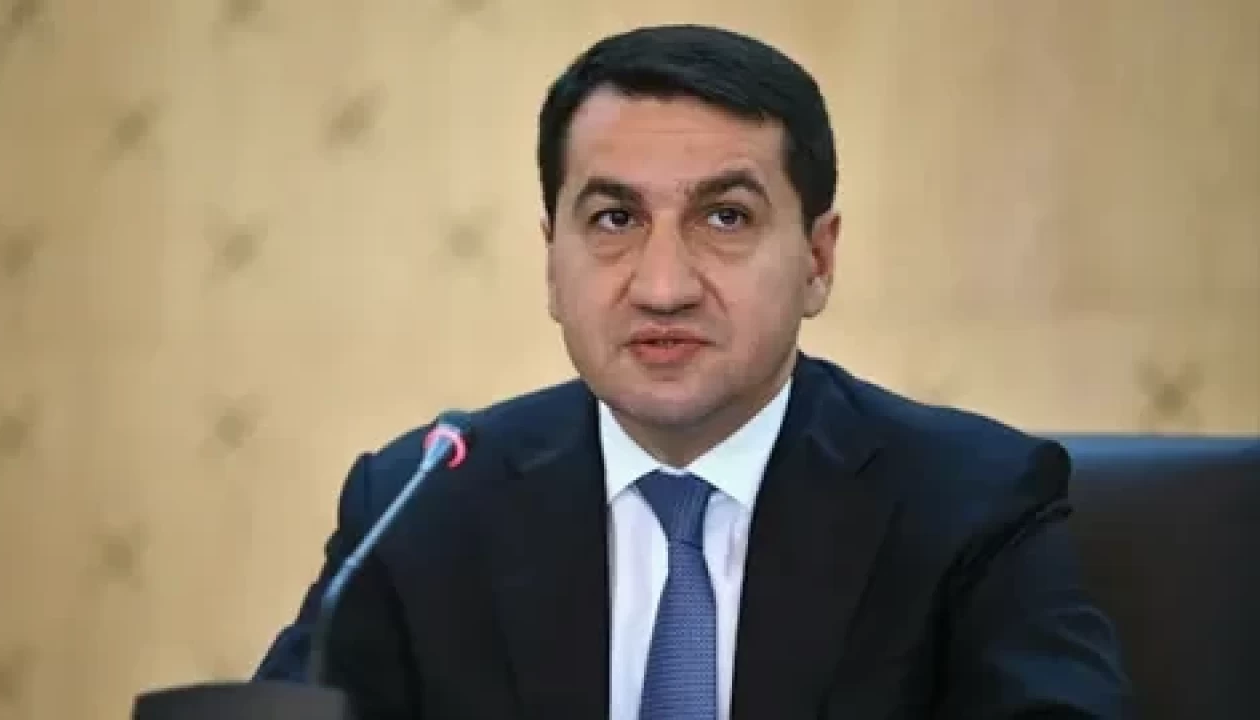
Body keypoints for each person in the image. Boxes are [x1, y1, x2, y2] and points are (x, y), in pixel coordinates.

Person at [254, 23, 1131, 719]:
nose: (663, 287)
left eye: (725, 217)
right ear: (552, 261)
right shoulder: (419, 505)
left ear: (818, 258)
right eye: (613, 219)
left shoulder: (971, 503)